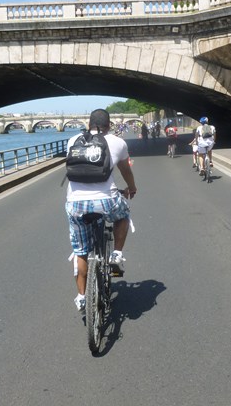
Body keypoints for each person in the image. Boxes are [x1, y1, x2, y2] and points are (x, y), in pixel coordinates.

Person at [65, 109, 137, 313]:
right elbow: (126, 170)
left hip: (76, 204)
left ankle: (81, 297)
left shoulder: (72, 141)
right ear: (109, 125)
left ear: (89, 124)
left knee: (80, 251)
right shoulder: (118, 142)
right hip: (107, 200)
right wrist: (131, 188)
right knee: (122, 215)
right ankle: (116, 254)